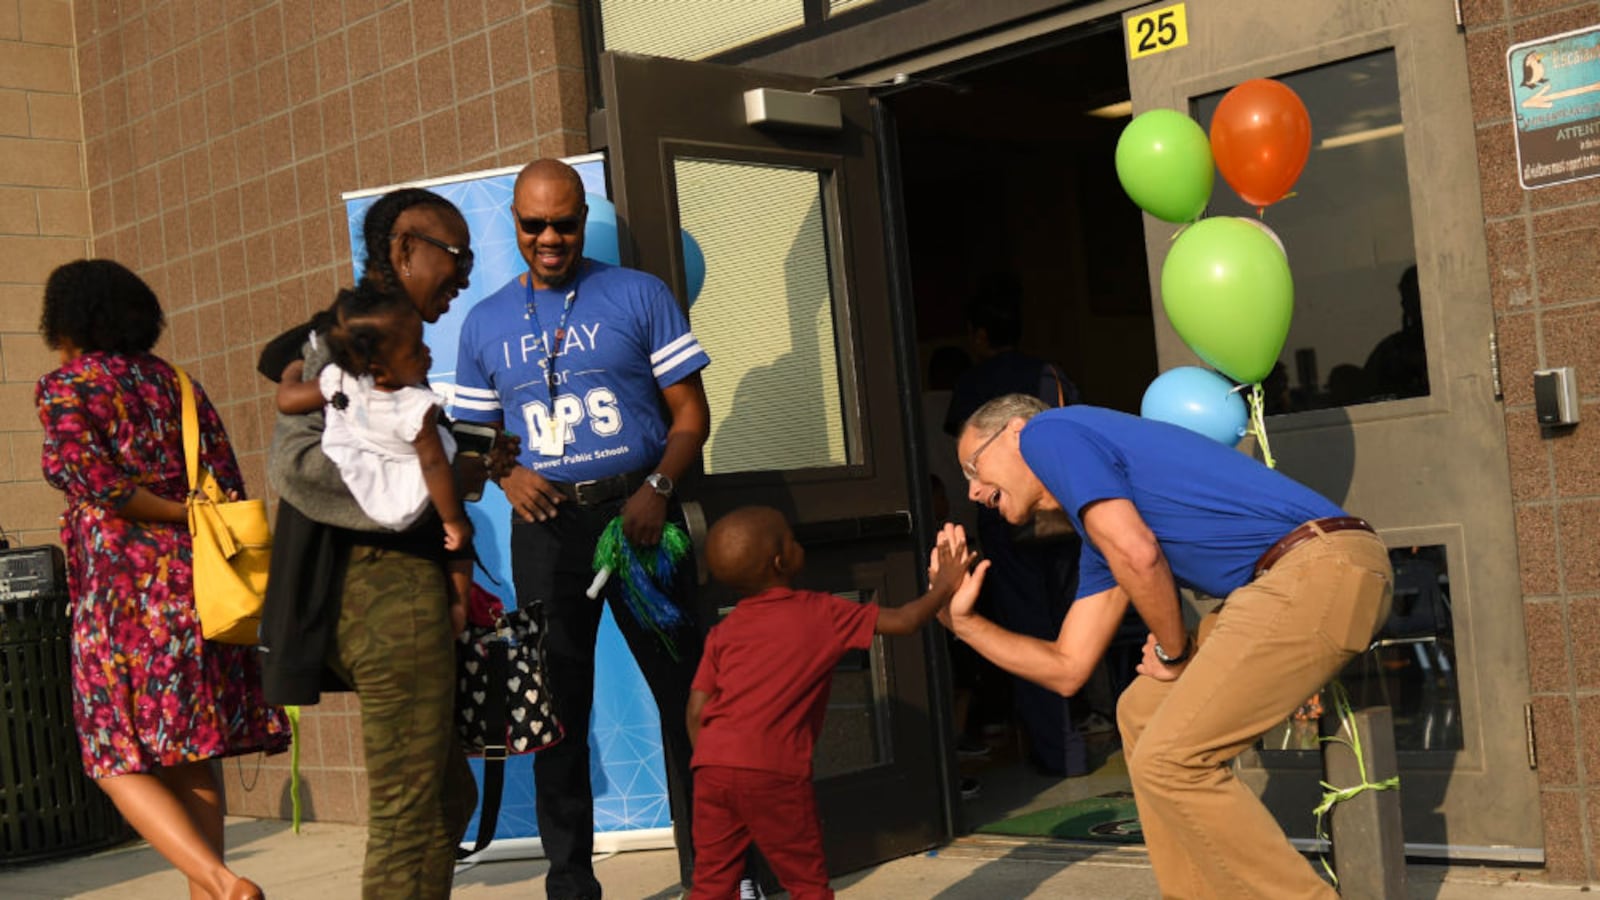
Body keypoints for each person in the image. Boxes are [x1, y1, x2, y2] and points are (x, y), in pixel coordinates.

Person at [949, 394, 1393, 899]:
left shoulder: (1048, 433)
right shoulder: (1101, 525)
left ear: (1013, 431)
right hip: (1284, 583)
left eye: (972, 466)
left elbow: (1139, 555)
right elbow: (1068, 667)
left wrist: (1173, 652)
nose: (973, 490)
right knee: (1141, 711)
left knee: (1172, 759)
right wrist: (962, 623)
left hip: (1320, 567)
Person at [451, 158, 711, 898]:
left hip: (639, 516)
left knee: (689, 698)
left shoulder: (638, 294)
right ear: (513, 222)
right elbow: (472, 443)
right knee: (557, 713)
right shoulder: (485, 320)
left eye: (565, 222)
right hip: (549, 529)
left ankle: (722, 875)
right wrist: (506, 472)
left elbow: (691, 414)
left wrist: (659, 486)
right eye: (535, 225)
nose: (551, 237)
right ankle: (570, 886)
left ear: (580, 219)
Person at [257, 187, 492, 900]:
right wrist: (432, 493)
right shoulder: (342, 340)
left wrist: (468, 463)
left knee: (447, 801)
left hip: (407, 592)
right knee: (407, 813)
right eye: (456, 256)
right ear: (403, 249)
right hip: (383, 596)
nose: (465, 276)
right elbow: (298, 467)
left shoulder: (385, 345)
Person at [37, 259, 290, 900]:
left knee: (110, 756)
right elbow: (226, 484)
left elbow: (102, 486)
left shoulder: (67, 387)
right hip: (202, 589)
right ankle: (211, 895)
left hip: (121, 598)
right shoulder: (180, 385)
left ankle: (220, 881)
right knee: (190, 750)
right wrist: (193, 516)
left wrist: (170, 511)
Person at [685, 508, 977, 899]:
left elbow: (696, 712)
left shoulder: (724, 632)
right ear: (779, 562)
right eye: (791, 539)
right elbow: (905, 621)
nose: (798, 544)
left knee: (711, 882)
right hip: (774, 772)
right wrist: (944, 584)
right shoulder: (821, 611)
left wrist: (717, 761)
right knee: (806, 884)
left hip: (711, 769)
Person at [942, 280, 1090, 777]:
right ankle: (1075, 737)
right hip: (1065, 518)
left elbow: (962, 456)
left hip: (1008, 531)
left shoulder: (973, 384)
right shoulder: (1049, 373)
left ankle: (1057, 751)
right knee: (1076, 622)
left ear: (979, 334)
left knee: (1029, 630)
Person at [274, 280, 474, 630]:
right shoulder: (416, 408)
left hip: (364, 472)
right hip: (406, 481)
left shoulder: (342, 380)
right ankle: (458, 609)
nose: (427, 354)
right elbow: (432, 463)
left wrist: (295, 367)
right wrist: (453, 519)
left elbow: (287, 400)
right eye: (415, 351)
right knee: (459, 545)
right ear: (380, 369)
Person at [1363, 264, 1429, 402]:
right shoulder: (1390, 351)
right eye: (1408, 297)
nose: (1404, 303)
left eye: (1415, 296)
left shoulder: (1453, 344)